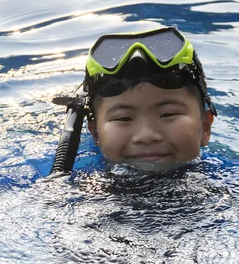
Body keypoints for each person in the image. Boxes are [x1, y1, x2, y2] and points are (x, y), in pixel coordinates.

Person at [50, 26, 217, 174]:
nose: (146, 136)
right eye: (123, 118)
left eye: (168, 114)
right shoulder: (82, 194)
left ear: (206, 128)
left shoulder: (227, 188)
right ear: (95, 133)